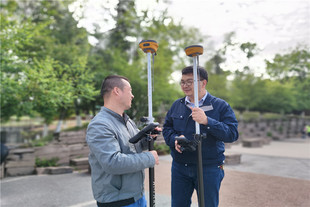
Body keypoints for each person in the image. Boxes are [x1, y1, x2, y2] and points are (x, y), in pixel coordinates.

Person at [163, 66, 239, 207]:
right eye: (182, 82)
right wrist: (174, 139)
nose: (185, 85)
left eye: (189, 81)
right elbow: (167, 128)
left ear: (203, 83)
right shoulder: (177, 105)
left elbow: (232, 134)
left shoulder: (220, 106)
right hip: (180, 167)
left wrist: (207, 121)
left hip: (209, 168)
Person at [86, 75, 159, 207]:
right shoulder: (100, 125)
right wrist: (149, 157)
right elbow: (112, 163)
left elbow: (132, 148)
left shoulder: (127, 120)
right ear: (117, 91)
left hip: (137, 196)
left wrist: (148, 138)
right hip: (117, 201)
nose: (132, 95)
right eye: (130, 90)